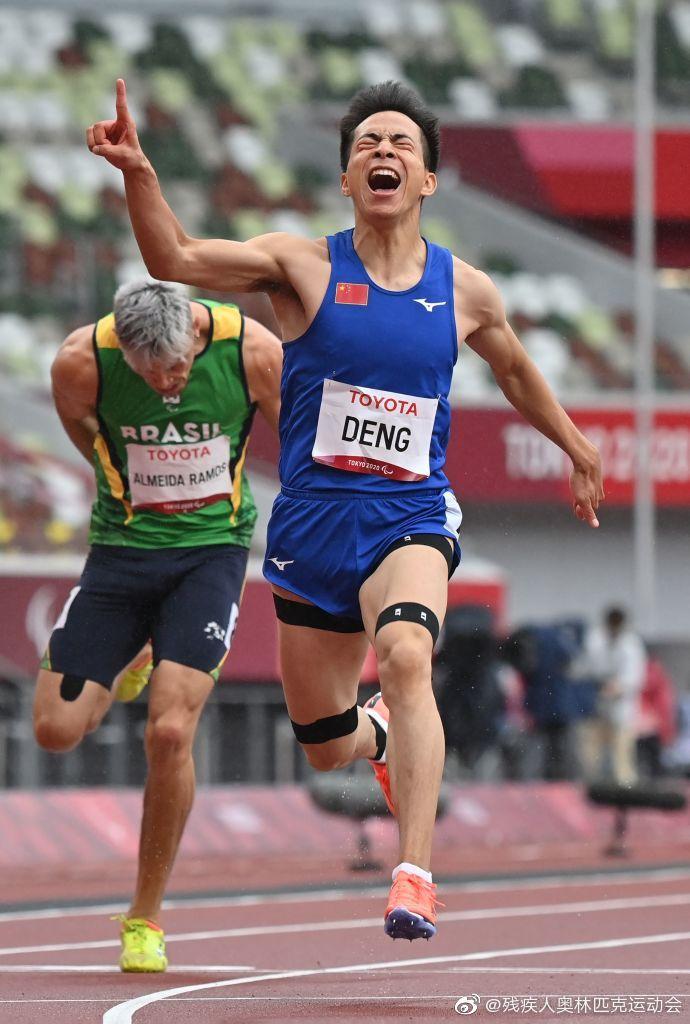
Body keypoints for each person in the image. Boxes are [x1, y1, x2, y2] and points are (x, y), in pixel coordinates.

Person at [87, 78, 604, 941]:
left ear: (427, 179)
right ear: (346, 177)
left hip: (410, 514)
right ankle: (379, 736)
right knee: (327, 743)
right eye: (367, 143)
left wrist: (576, 446)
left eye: (401, 142)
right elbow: (174, 258)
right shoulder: (303, 266)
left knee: (406, 653)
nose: (383, 151)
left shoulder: (466, 290)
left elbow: (513, 368)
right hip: (313, 526)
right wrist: (139, 171)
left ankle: (415, 876)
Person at [33, 280, 282, 971]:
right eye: (151, 375)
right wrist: (126, 480)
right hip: (121, 552)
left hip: (211, 553)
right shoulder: (81, 362)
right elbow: (84, 433)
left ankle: (144, 918)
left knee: (170, 731)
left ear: (195, 337)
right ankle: (139, 648)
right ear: (122, 348)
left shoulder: (252, 352)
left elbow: (297, 443)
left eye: (176, 369)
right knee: (54, 730)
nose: (167, 384)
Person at [579, 606, 647, 785]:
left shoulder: (631, 644)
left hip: (621, 709)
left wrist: (617, 687)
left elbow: (634, 678)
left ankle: (625, 789)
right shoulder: (595, 640)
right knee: (590, 757)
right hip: (596, 706)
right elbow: (587, 667)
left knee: (622, 758)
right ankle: (591, 788)